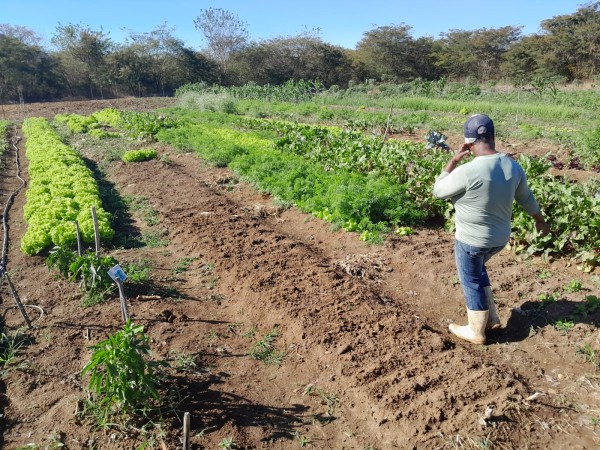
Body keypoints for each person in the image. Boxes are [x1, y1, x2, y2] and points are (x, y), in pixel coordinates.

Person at [433, 114, 550, 344]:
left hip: (471, 240)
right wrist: (539, 220)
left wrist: (453, 161)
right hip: (499, 239)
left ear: (468, 143)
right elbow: (526, 198)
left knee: (470, 279)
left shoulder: (467, 171)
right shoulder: (512, 166)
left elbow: (438, 191)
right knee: (479, 269)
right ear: (494, 137)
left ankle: (476, 332)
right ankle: (491, 317)